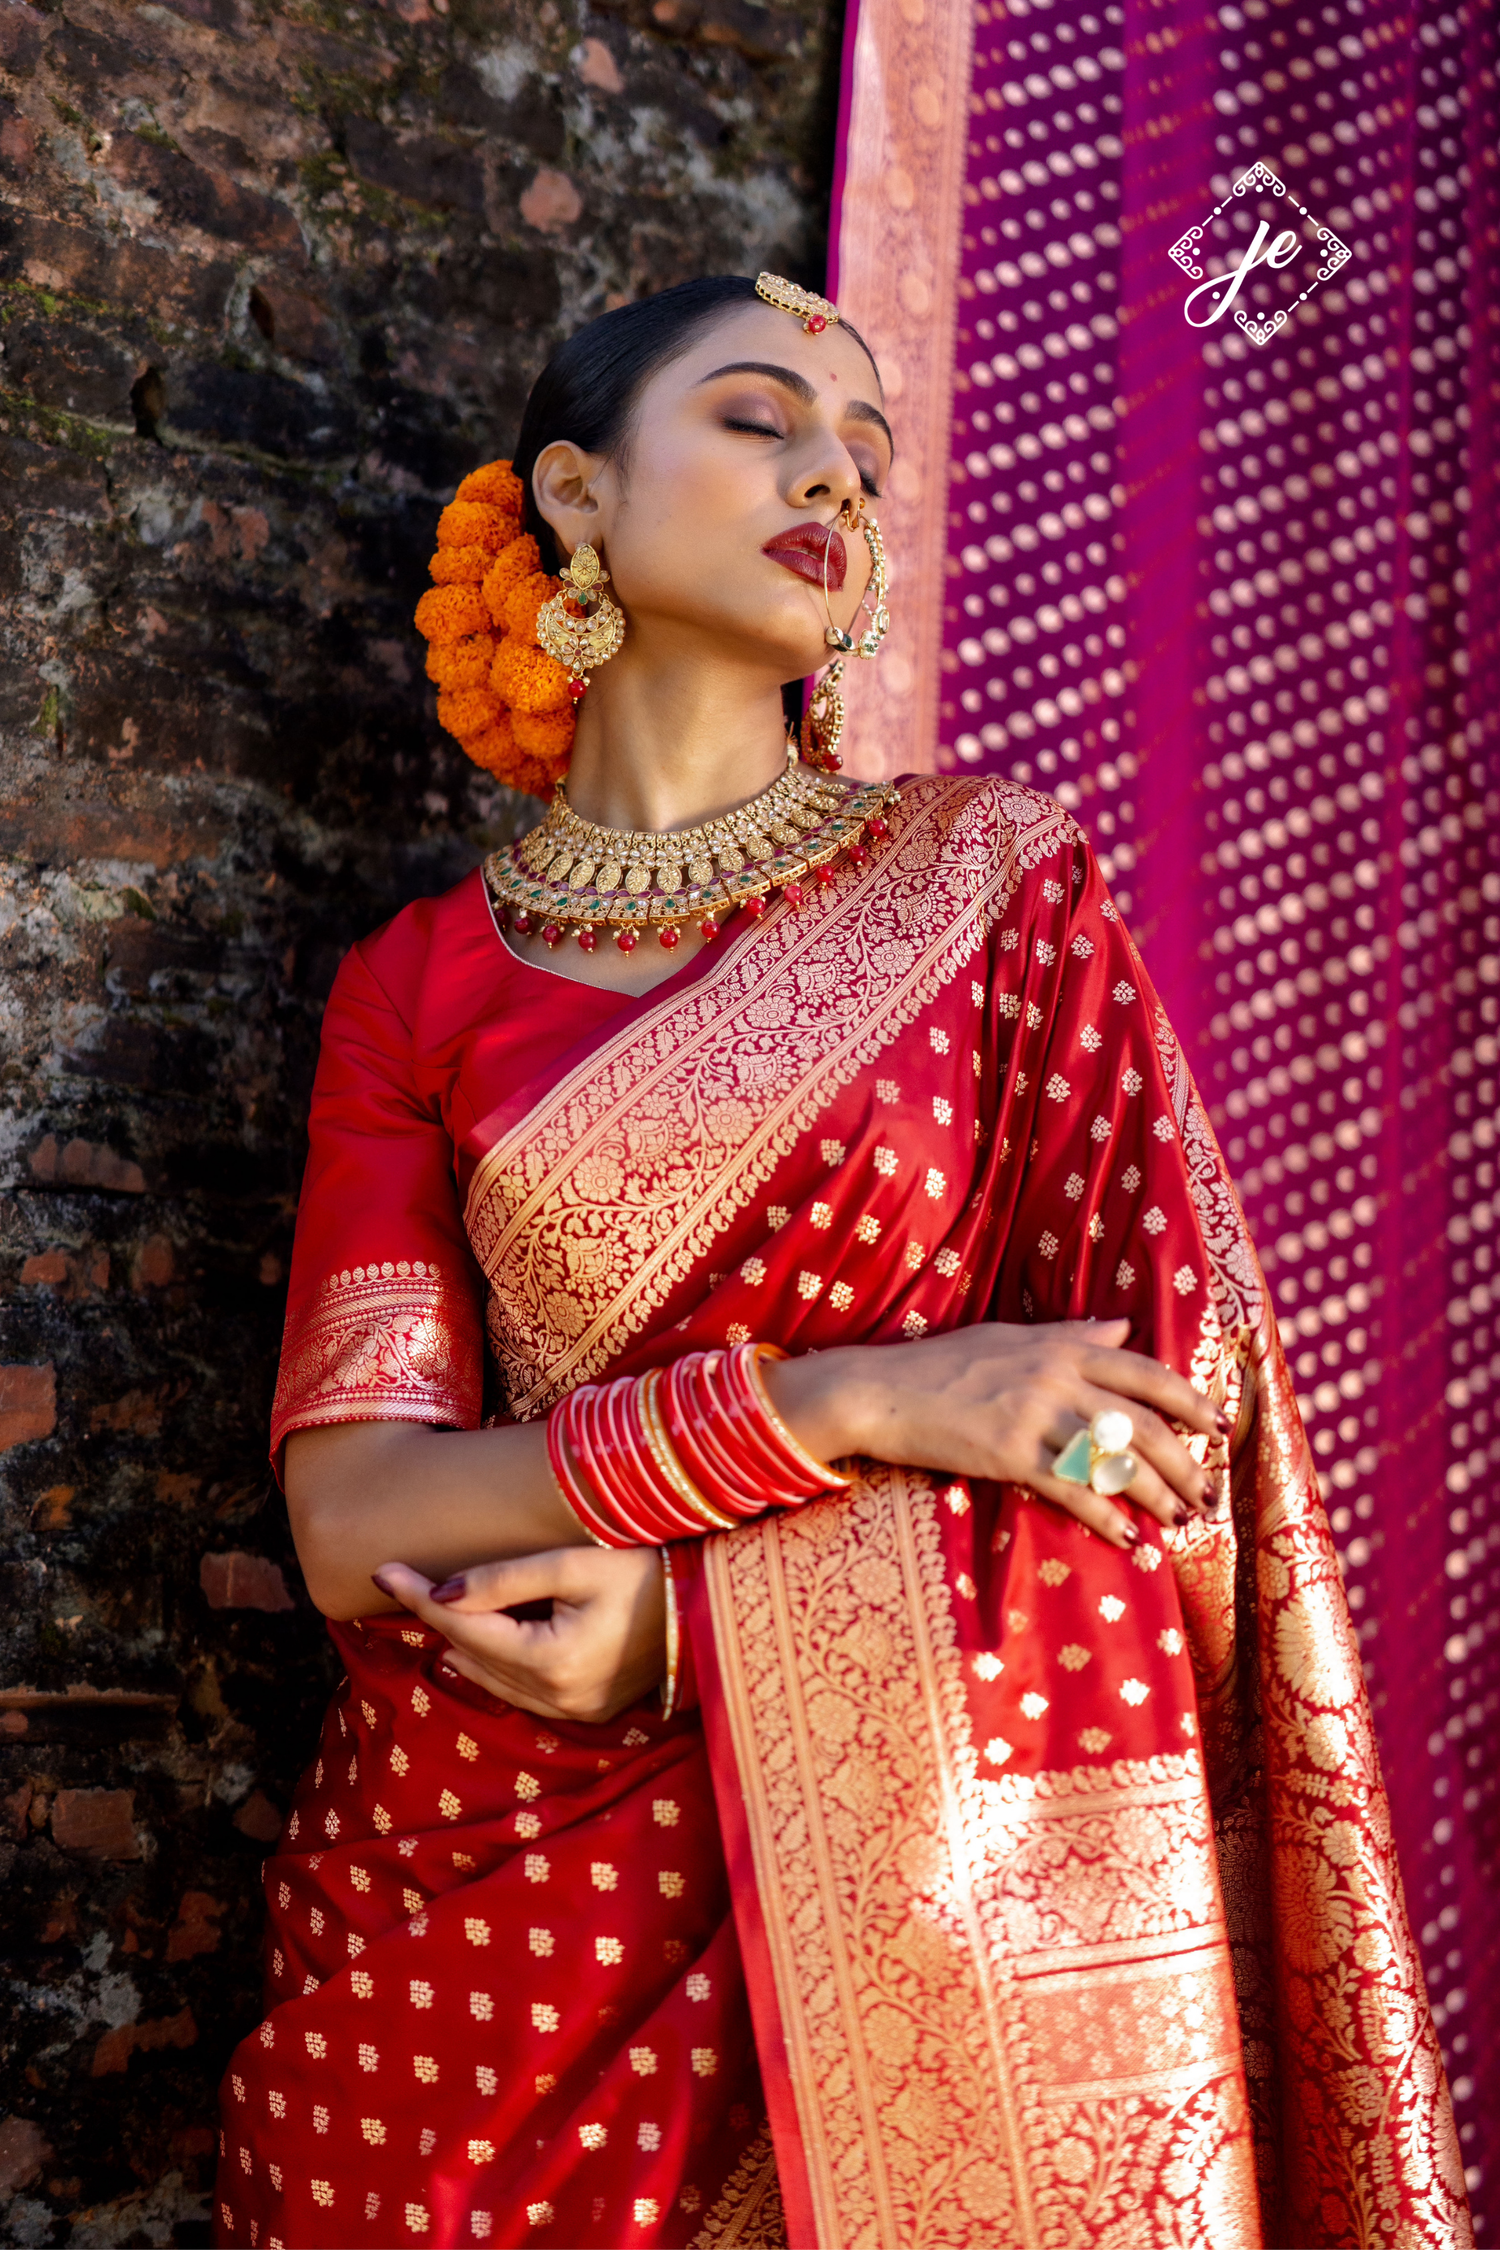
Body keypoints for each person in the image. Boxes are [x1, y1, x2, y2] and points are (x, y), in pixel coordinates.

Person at [213, 274, 1467, 2250]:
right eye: (757, 416)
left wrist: (701, 1635)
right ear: (579, 498)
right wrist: (849, 1401)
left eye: (869, 451)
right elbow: (360, 1516)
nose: (836, 473)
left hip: (921, 1918)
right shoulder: (422, 984)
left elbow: (1153, 1462)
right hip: (462, 1977)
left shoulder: (998, 894)